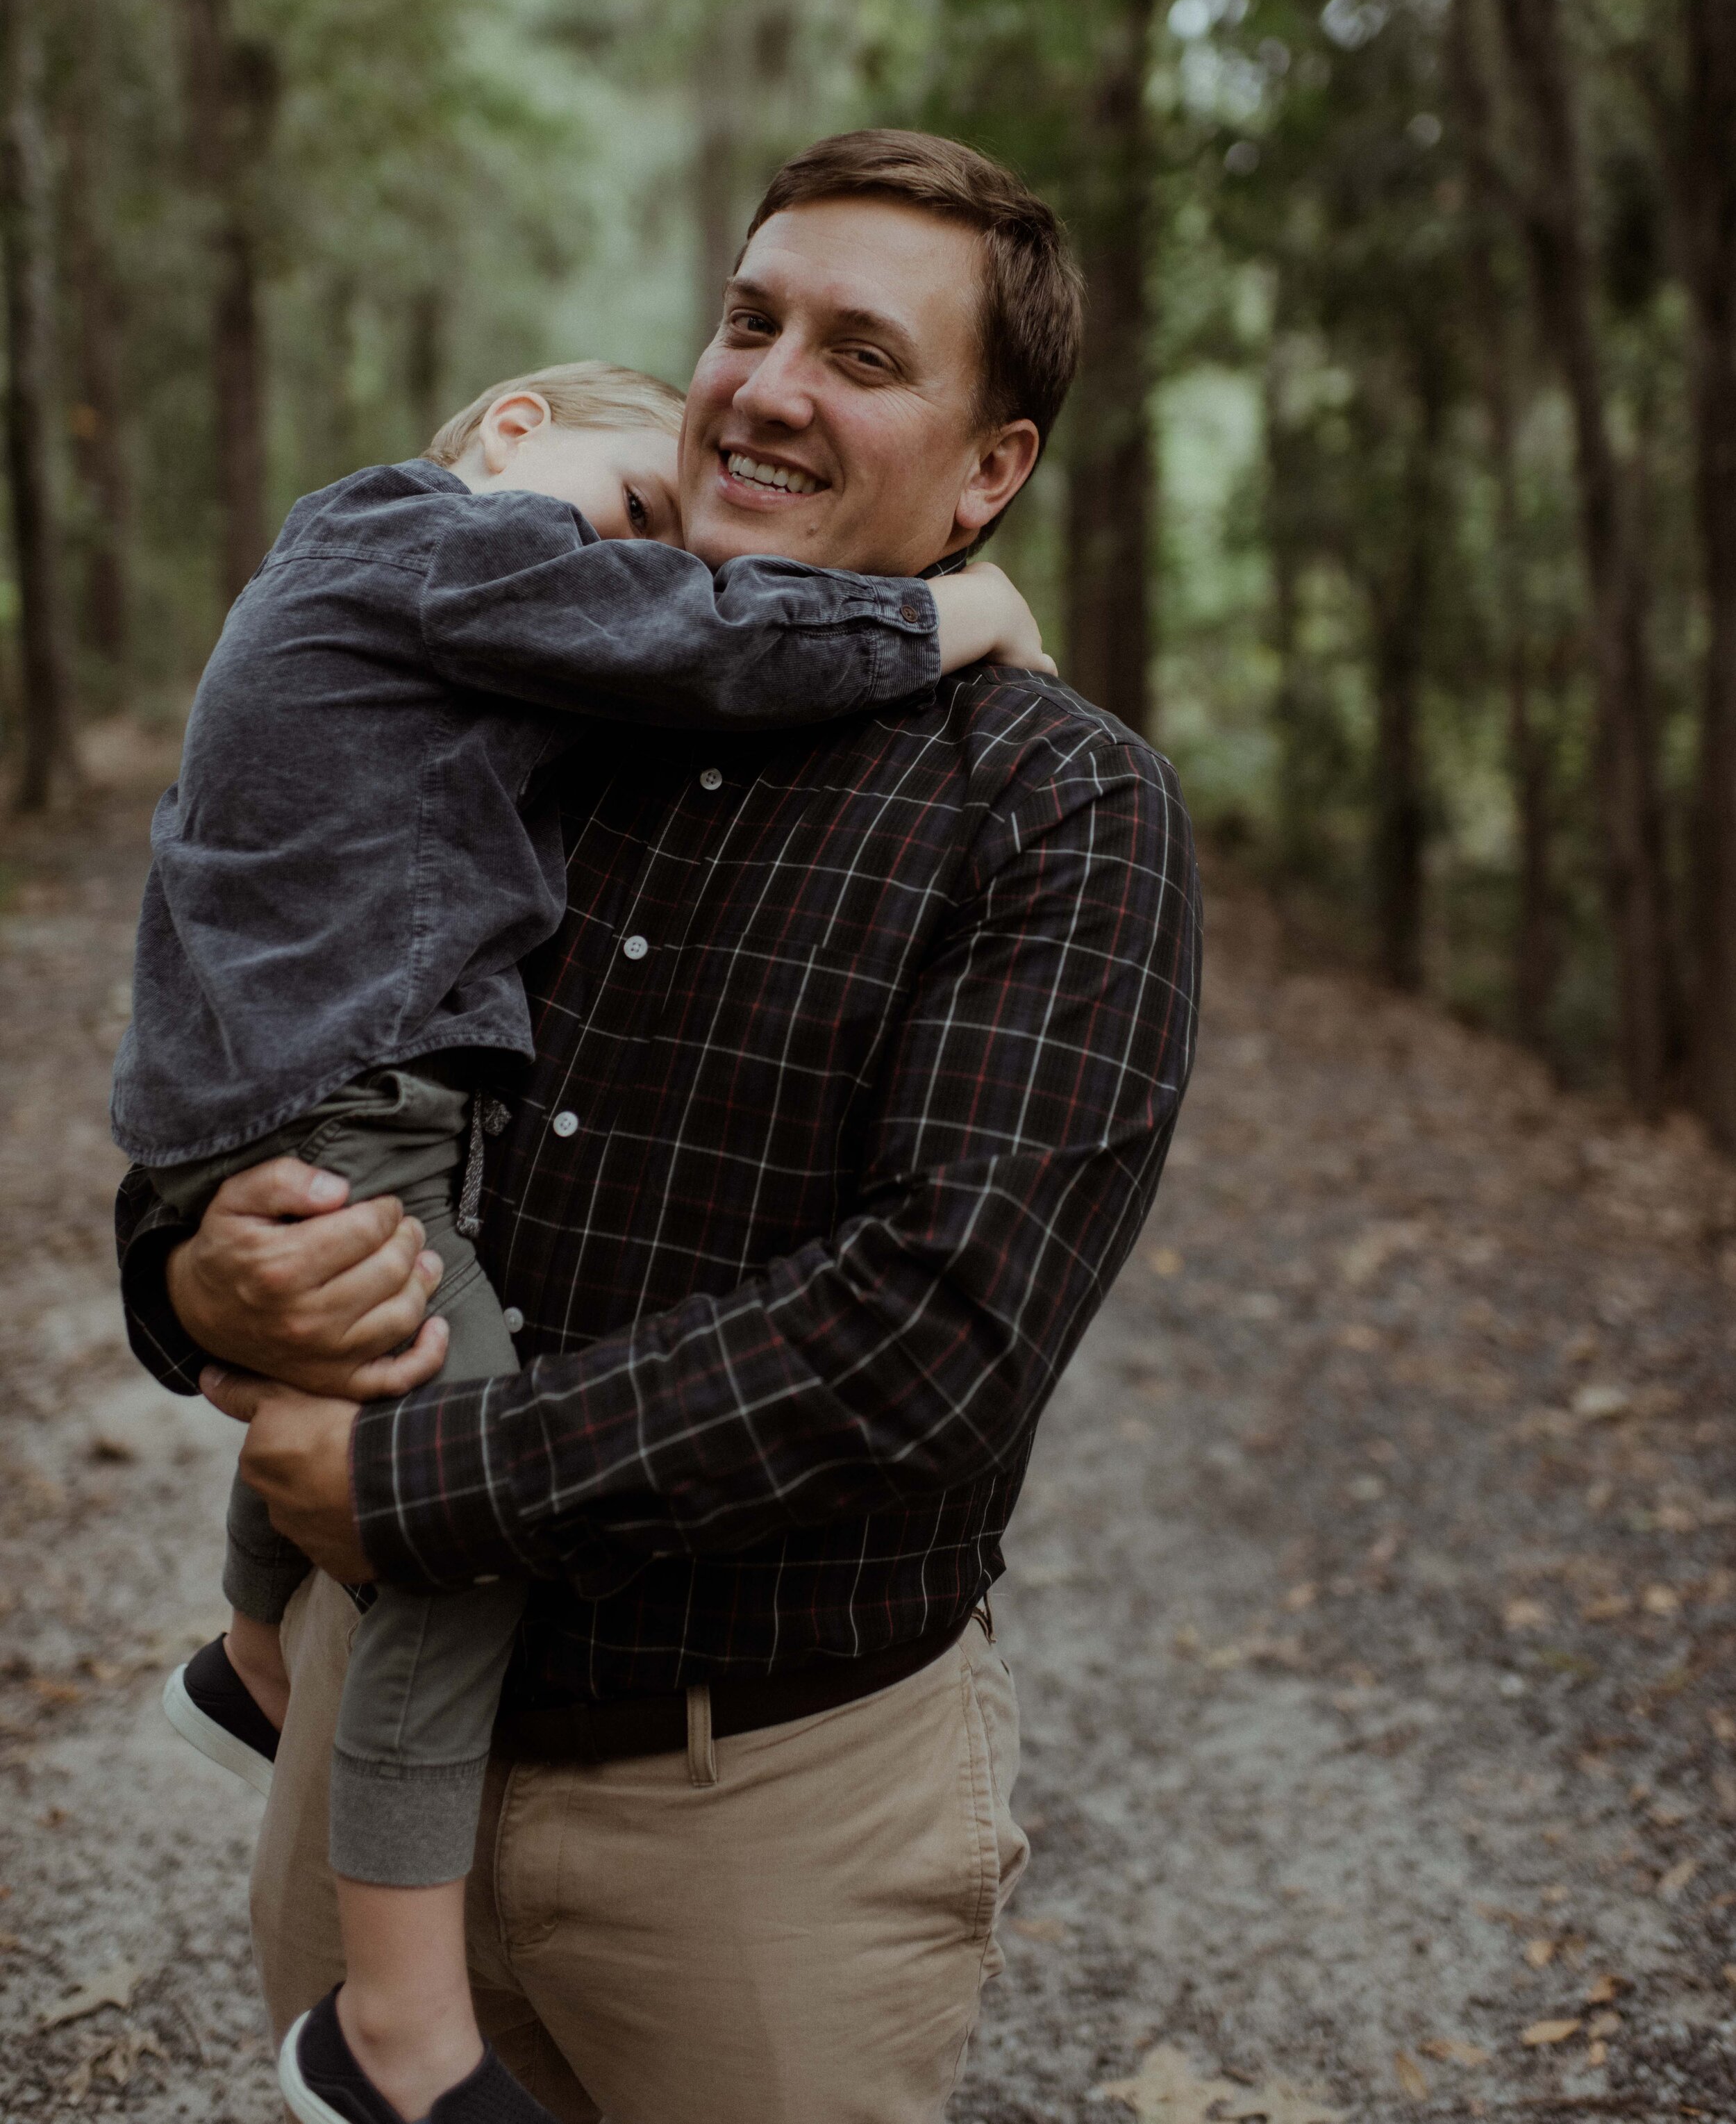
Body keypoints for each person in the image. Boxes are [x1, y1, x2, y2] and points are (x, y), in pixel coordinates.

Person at [115, 129, 1203, 2124]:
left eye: (863, 355)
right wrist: (189, 1272)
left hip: (759, 1813)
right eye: (748, 318)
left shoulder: (1056, 806)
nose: (769, 382)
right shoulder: (524, 673)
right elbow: (291, 1025)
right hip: (376, 1756)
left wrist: (427, 1485)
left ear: (989, 474)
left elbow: (930, 1337)